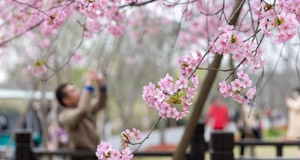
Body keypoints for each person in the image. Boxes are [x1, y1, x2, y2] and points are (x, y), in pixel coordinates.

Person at [55, 69, 107, 157]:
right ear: (66, 100)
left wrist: (102, 86)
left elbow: (101, 103)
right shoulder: (64, 116)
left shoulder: (84, 108)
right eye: (73, 91)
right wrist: (89, 83)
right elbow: (82, 111)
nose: (78, 91)